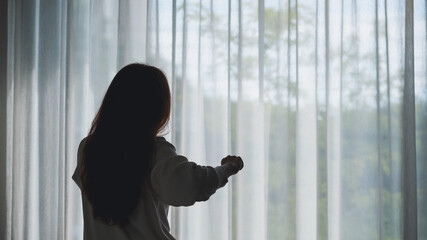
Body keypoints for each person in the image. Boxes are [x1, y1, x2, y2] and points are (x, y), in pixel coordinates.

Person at [72, 63, 244, 240]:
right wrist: (228, 168)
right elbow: (190, 187)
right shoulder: (155, 152)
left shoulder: (88, 148)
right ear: (157, 108)